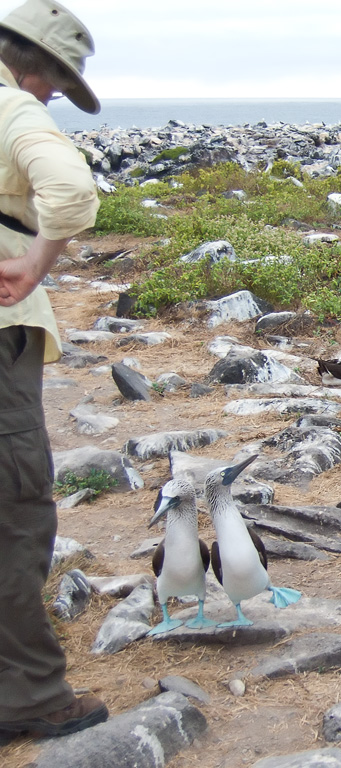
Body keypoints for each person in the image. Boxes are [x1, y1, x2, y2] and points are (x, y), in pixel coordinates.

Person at [0, 0, 108, 745]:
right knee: (14, 513)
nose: (48, 100)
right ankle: (30, 693)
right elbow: (71, 191)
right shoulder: (10, 107)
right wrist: (36, 261)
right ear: (34, 64)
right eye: (54, 86)